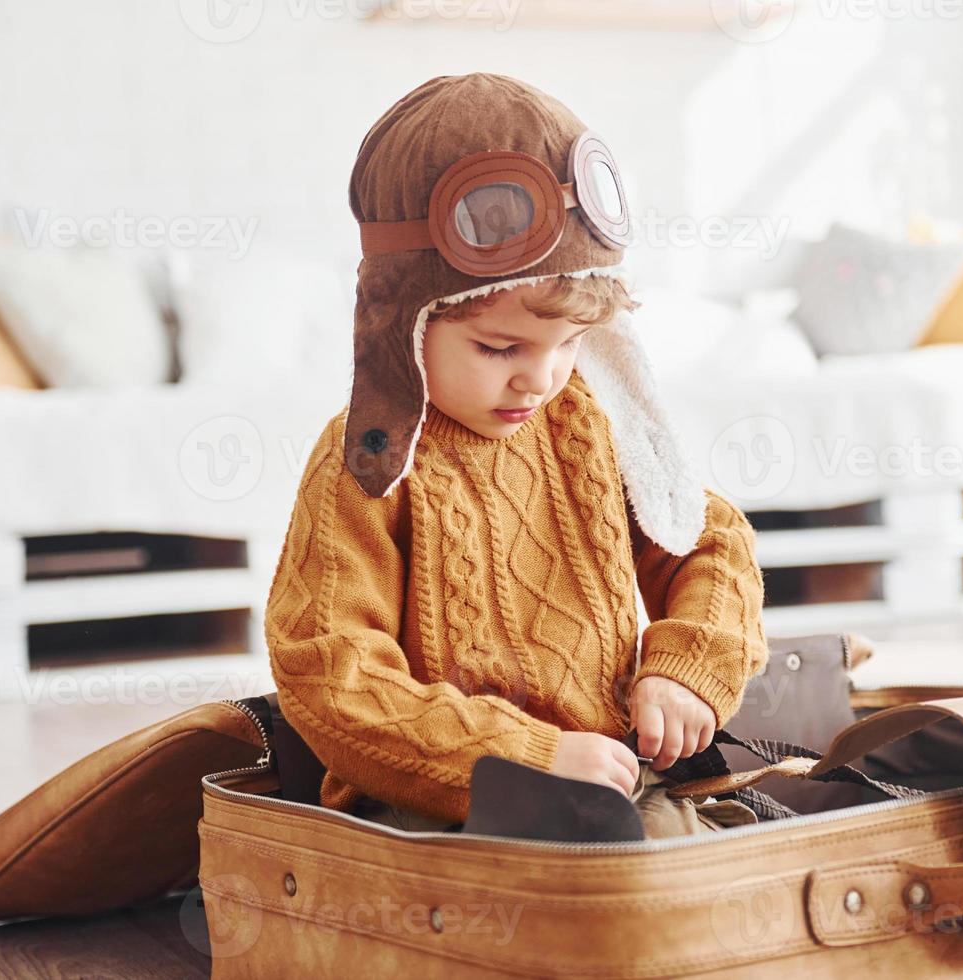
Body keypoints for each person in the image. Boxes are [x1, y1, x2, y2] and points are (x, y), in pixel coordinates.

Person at [264, 72, 768, 839]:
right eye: (499, 347)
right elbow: (329, 675)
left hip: (615, 773)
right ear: (402, 322)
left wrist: (685, 669)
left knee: (707, 874)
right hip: (439, 799)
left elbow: (710, 543)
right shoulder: (367, 466)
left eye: (568, 344)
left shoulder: (585, 422)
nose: (540, 376)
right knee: (578, 906)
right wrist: (521, 754)